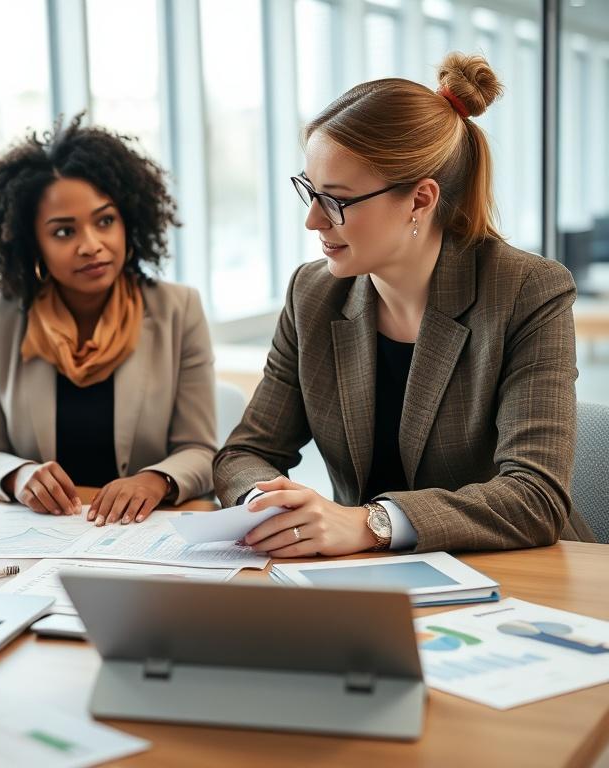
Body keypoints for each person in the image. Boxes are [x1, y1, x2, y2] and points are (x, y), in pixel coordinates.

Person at [214, 52, 595, 556]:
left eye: (336, 200)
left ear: (420, 199)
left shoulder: (528, 291)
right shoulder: (313, 295)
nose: (313, 221)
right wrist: (271, 503)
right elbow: (245, 453)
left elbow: (534, 497)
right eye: (310, 191)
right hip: (364, 577)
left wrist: (371, 523)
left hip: (517, 576)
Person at [0, 115, 216, 527]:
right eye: (64, 232)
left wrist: (155, 480)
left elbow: (201, 451)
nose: (92, 246)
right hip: (43, 536)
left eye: (105, 221)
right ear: (32, 244)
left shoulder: (178, 309)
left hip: (144, 531)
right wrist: (19, 474)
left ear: (128, 222)